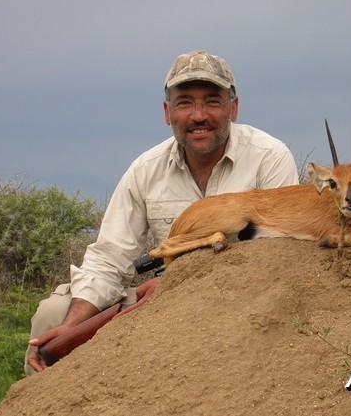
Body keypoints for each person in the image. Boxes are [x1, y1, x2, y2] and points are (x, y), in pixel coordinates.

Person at [26, 50, 299, 374]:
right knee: (53, 312)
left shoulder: (269, 157)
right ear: (167, 112)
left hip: (241, 296)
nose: (199, 115)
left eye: (212, 101)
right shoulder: (145, 170)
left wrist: (179, 283)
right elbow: (108, 260)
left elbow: (276, 254)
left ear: (233, 108)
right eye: (185, 103)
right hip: (160, 296)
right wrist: (70, 326)